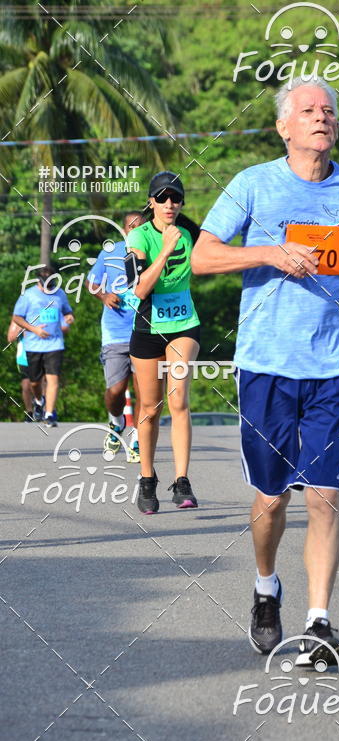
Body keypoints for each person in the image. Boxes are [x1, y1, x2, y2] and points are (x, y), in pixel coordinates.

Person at [191, 76, 339, 667]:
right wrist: (268, 252)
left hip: (333, 367)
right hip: (268, 365)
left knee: (324, 495)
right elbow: (201, 256)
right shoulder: (254, 184)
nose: (321, 117)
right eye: (307, 110)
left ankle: (319, 623)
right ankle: (266, 584)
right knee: (271, 498)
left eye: (328, 109)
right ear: (284, 127)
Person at [126, 171, 201, 514]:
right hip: (147, 327)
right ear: (151, 201)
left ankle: (182, 480)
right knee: (149, 409)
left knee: (178, 399)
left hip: (184, 325)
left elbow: (215, 256)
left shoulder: (192, 232)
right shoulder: (138, 237)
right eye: (163, 198)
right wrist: (167, 247)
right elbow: (140, 289)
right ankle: (147, 479)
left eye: (176, 198)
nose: (170, 204)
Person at [86, 211, 144, 462]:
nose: (135, 230)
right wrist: (104, 296)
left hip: (146, 331)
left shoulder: (154, 250)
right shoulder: (110, 252)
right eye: (130, 227)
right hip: (115, 332)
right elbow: (91, 283)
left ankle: (138, 440)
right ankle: (116, 422)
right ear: (123, 230)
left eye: (140, 226)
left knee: (144, 392)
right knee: (116, 390)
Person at [12, 265, 74, 427]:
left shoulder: (60, 294)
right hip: (33, 344)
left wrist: (69, 318)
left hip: (55, 344)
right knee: (34, 382)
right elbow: (17, 318)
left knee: (53, 379)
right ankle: (39, 401)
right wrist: (34, 329)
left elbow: (68, 312)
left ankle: (49, 414)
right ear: (39, 280)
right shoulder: (29, 295)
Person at [7, 320, 36, 420]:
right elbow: (10, 338)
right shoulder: (18, 319)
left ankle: (42, 408)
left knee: (39, 383)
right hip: (23, 357)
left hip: (39, 353)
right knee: (26, 385)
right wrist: (20, 329)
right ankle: (29, 412)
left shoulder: (39, 314)